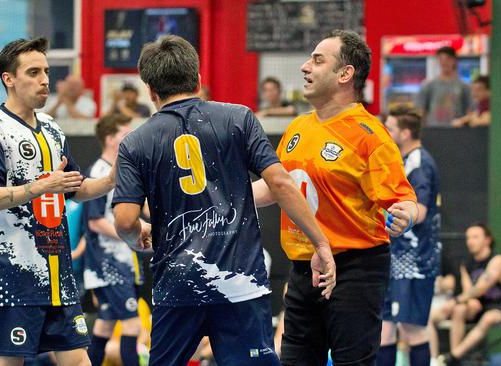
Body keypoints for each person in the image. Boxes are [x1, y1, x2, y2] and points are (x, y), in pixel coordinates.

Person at [112, 35, 336, 366]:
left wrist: (138, 235)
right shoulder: (238, 118)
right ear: (199, 79)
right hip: (240, 284)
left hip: (177, 286)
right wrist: (321, 244)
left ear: (150, 90)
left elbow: (125, 221)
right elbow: (280, 183)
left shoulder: (135, 142)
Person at [252, 29, 418, 365]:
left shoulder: (370, 135)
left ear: (345, 74)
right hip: (303, 268)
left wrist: (407, 213)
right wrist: (220, 197)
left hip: (355, 270)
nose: (304, 67)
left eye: (317, 60)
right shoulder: (298, 127)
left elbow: (403, 199)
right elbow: (276, 187)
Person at [0, 37, 118, 365]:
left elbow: (74, 188)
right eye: (34, 72)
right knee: (10, 362)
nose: (45, 80)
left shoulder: (52, 129)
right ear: (9, 78)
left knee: (79, 360)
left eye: (47, 71)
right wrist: (41, 186)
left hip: (56, 274)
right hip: (10, 274)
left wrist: (112, 179)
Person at [378, 105, 441, 366]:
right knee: (385, 328)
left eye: (390, 128)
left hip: (415, 261)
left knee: (411, 328)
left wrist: (399, 216)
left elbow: (422, 210)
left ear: (404, 133)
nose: (385, 132)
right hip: (394, 257)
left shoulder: (420, 162)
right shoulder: (400, 160)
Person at [82, 113, 143, 366]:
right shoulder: (98, 173)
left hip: (122, 259)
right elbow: (95, 221)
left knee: (104, 326)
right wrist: (131, 232)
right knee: (133, 325)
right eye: (125, 134)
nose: (131, 138)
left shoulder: (120, 170)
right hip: (108, 263)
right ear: (110, 139)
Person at [437, 223, 501, 366]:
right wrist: (466, 302)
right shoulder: (466, 263)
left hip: (499, 306)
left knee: (488, 318)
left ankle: (454, 355)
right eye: (468, 238)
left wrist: (456, 300)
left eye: (475, 237)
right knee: (459, 310)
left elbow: (482, 287)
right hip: (477, 305)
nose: (470, 241)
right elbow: (469, 291)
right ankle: (454, 360)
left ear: (487, 240)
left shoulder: (498, 260)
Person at [416, 46, 472, 126]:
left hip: (458, 131)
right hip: (433, 130)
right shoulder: (428, 85)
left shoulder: (464, 86)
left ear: (454, 60)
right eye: (441, 59)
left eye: (448, 59)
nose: (444, 62)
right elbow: (420, 111)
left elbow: (470, 111)